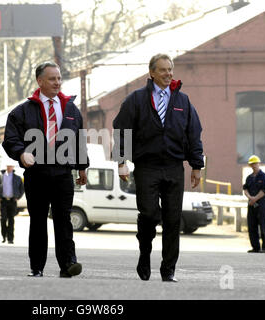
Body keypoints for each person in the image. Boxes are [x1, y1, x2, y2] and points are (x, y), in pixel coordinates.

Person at [113, 53, 204, 282]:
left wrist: (196, 165)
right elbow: (121, 129)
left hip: (174, 167)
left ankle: (168, 269)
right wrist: (121, 162)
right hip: (147, 166)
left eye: (170, 69)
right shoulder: (136, 99)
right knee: (149, 214)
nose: (168, 74)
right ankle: (145, 254)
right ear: (151, 72)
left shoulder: (182, 101)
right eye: (163, 70)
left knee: (173, 220)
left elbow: (194, 133)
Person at [3, 61, 89, 278]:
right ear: (40, 81)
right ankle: (37, 266)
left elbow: (78, 138)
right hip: (37, 174)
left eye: (59, 78)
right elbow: (11, 139)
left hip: (62, 174)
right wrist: (21, 153)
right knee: (38, 221)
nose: (57, 83)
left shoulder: (70, 109)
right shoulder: (22, 111)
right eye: (52, 79)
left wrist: (81, 167)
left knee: (63, 220)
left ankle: (68, 263)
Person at [243, 155, 265, 253]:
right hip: (251, 205)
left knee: (264, 226)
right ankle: (255, 247)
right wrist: (250, 197)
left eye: (255, 163)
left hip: (262, 205)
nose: (254, 165)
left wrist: (255, 198)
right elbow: (245, 188)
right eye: (252, 164)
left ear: (259, 164)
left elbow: (264, 190)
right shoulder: (249, 178)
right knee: (252, 226)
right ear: (250, 165)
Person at [0, 159, 24, 244]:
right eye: (8, 166)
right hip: (3, 201)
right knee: (3, 219)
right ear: (6, 167)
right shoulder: (0, 177)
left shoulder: (17, 178)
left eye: (11, 166)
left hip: (12, 201)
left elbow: (22, 189)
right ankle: (4, 236)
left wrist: (18, 197)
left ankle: (10, 238)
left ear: (13, 167)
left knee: (11, 219)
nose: (9, 167)